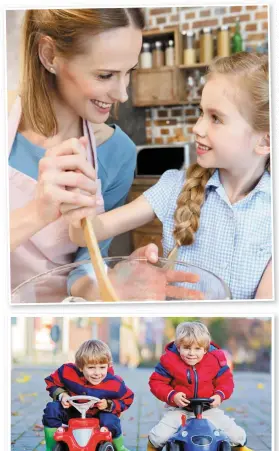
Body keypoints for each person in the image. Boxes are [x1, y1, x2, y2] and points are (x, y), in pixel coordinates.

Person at [66, 52, 272, 300]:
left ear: (264, 140)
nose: (197, 127)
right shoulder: (174, 186)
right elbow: (82, 235)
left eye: (216, 118)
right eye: (201, 112)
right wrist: (81, 209)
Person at [9, 8, 176, 302]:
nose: (123, 94)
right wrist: (38, 212)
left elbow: (83, 267)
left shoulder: (118, 152)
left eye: (129, 72)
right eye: (105, 75)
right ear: (49, 55)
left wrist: (110, 285)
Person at [145, 322, 258, 451]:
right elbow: (156, 382)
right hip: (181, 410)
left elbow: (226, 381)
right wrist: (172, 395)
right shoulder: (169, 360)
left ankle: (238, 447)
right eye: (186, 348)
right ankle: (153, 449)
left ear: (205, 349)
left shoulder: (215, 360)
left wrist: (219, 395)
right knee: (160, 434)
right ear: (178, 347)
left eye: (197, 349)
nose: (192, 353)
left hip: (208, 408)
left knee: (235, 433)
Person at [32, 339, 146, 451]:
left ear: (108, 366)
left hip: (98, 414)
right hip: (72, 411)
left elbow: (128, 398)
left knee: (110, 420)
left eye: (102, 367)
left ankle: (120, 450)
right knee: (52, 409)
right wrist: (62, 395)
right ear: (81, 367)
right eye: (91, 368)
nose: (97, 373)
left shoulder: (115, 384)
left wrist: (109, 404)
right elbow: (51, 381)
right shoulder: (67, 372)